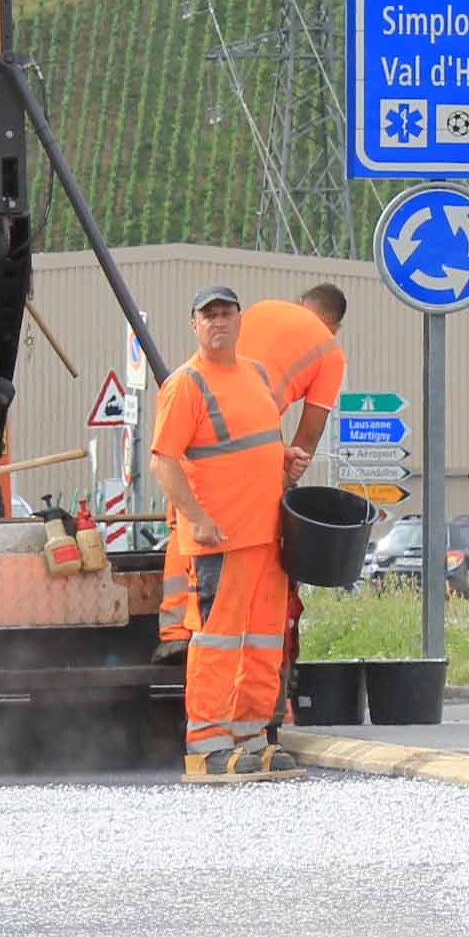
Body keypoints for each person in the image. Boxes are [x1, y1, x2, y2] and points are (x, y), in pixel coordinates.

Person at [159, 282, 347, 692]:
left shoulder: (264, 306)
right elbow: (310, 431)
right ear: (333, 325)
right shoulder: (330, 352)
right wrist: (285, 476)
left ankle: (175, 628)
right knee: (240, 595)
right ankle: (246, 712)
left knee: (186, 517)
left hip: (210, 429)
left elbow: (166, 460)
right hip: (252, 426)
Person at [149, 285, 296, 783]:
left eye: (226, 314)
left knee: (260, 641)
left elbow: (257, 443)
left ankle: (250, 737)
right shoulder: (186, 384)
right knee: (217, 643)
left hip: (267, 536)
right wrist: (195, 516)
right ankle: (208, 743)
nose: (218, 322)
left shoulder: (254, 374)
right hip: (221, 540)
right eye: (208, 315)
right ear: (194, 325)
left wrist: (285, 459)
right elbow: (164, 461)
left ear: (239, 321)